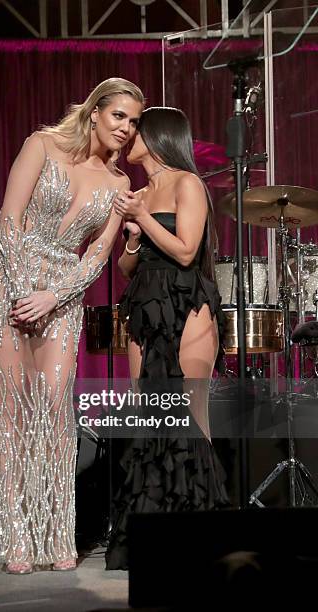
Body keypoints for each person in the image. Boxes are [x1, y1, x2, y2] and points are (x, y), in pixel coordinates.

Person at [0, 78, 144, 574]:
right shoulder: (41, 144)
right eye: (119, 117)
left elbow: (97, 257)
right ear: (94, 113)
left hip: (61, 294)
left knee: (55, 409)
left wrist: (51, 295)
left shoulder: (118, 184)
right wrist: (25, 290)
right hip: (4, 278)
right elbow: (9, 219)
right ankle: (18, 538)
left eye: (133, 123)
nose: (125, 129)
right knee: (15, 409)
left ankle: (54, 533)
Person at [105, 107, 229, 571]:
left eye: (137, 127)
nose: (128, 134)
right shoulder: (140, 191)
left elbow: (186, 250)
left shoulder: (186, 183)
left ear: (157, 136)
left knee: (192, 420)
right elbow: (125, 266)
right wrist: (134, 236)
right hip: (145, 303)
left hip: (187, 304)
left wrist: (142, 216)